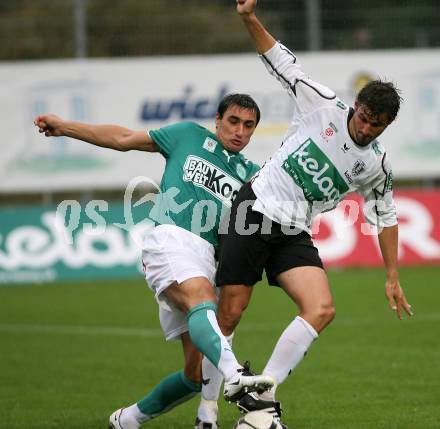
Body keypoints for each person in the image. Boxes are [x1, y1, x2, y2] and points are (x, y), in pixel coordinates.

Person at [204, 1, 413, 427]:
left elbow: (385, 216)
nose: (367, 128)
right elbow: (279, 58)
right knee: (229, 314)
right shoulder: (322, 105)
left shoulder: (376, 163)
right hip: (255, 209)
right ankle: (206, 412)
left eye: (378, 125)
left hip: (293, 231)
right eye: (366, 117)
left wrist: (392, 275)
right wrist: (248, 17)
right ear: (356, 106)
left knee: (321, 308)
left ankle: (263, 392)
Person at [33, 93, 275, 429]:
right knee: (201, 300)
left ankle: (127, 419)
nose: (239, 130)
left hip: (209, 260)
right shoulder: (188, 135)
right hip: (172, 240)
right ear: (217, 120)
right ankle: (235, 377)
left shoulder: (252, 175)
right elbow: (122, 138)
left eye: (248, 126)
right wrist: (65, 127)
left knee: (194, 376)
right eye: (233, 121)